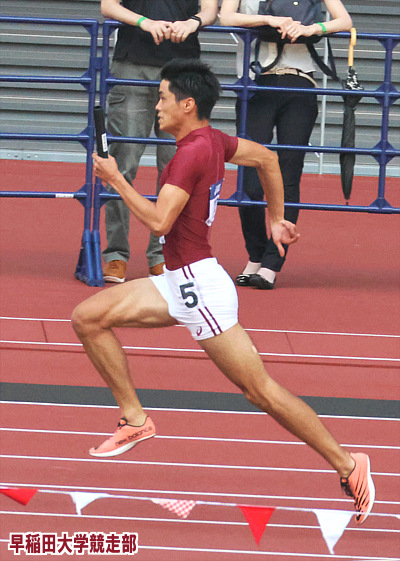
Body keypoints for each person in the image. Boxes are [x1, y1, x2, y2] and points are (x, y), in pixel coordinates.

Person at [72, 58, 374, 524]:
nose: (157, 106)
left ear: (187, 105)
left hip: (200, 290)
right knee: (87, 318)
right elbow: (267, 158)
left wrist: (115, 180)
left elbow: (159, 222)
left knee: (260, 391)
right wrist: (277, 217)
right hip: (176, 281)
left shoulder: (190, 155)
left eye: (163, 98)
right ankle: (135, 419)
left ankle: (349, 464)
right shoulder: (214, 140)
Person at [220, 0, 352, 289]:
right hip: (255, 83)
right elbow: (226, 17)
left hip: (300, 83)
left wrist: (310, 28)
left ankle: (271, 263)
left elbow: (344, 20)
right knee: (249, 178)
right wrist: (270, 20)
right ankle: (255, 254)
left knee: (289, 173)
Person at [100, 0, 219, 282]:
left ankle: (162, 254)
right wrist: (145, 22)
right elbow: (107, 6)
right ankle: (116, 254)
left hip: (183, 71)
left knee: (176, 169)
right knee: (123, 164)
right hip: (133, 64)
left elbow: (210, 10)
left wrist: (193, 22)